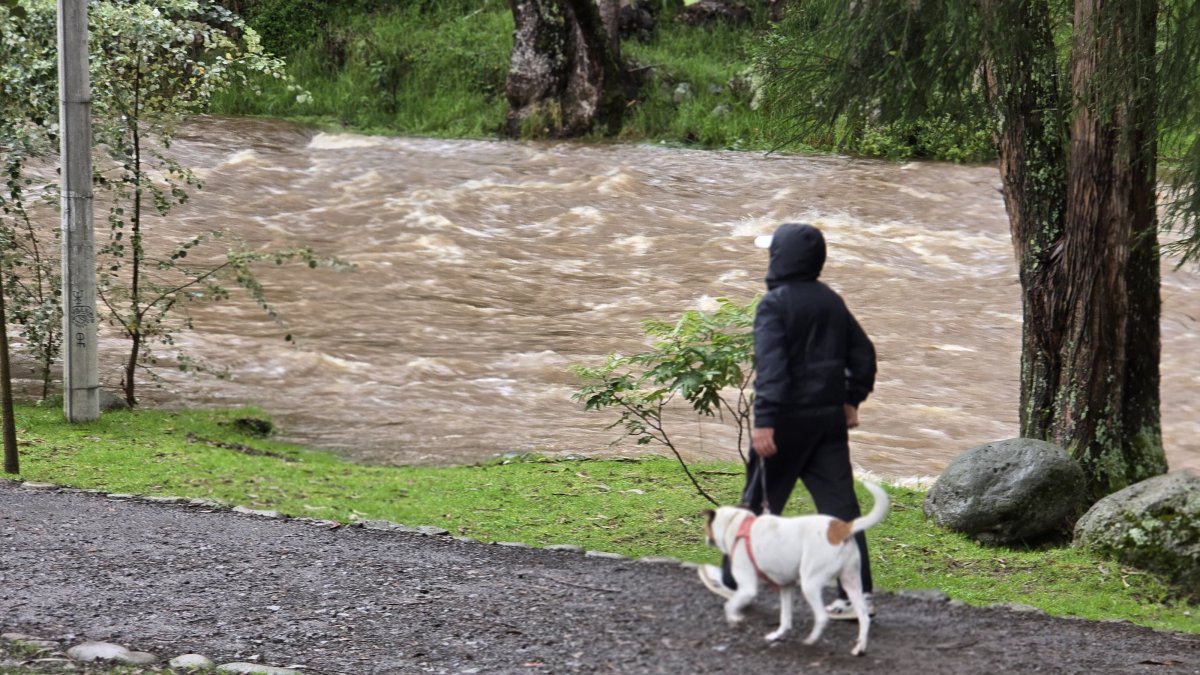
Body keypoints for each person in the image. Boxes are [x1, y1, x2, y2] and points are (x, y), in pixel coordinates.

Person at [699, 222, 878, 620]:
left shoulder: (774, 304)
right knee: (842, 511)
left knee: (760, 502)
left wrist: (764, 422)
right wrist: (852, 400)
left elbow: (772, 367)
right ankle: (856, 596)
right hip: (827, 422)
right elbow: (864, 355)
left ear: (780, 257)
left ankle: (733, 581)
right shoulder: (831, 300)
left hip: (783, 424)